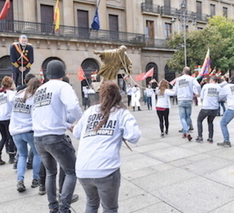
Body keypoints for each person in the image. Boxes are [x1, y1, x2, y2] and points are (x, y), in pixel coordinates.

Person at [73, 81, 141, 213]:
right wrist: (121, 134)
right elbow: (134, 136)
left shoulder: (90, 111)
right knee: (110, 208)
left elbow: (76, 133)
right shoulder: (121, 113)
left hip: (83, 169)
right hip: (106, 170)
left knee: (91, 204)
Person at [32, 60, 82, 213]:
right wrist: (75, 122)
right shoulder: (63, 86)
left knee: (51, 173)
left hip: (38, 137)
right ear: (63, 73)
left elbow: (40, 114)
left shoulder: (40, 89)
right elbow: (73, 107)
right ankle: (64, 208)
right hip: (54, 137)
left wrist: (65, 124)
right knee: (71, 171)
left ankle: (52, 207)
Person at [9, 77, 41, 192]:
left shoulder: (17, 95)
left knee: (22, 155)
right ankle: (36, 179)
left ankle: (20, 180)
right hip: (29, 130)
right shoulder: (35, 98)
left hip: (16, 130)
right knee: (37, 154)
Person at [173, 67, 201, 140]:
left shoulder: (178, 79)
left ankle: (186, 132)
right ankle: (185, 132)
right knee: (188, 116)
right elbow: (198, 85)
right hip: (189, 99)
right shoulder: (191, 79)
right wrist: (198, 93)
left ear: (183, 71)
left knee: (182, 117)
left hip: (181, 99)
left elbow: (175, 90)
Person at [0, 76, 16, 165]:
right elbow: (13, 102)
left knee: (4, 137)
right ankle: (11, 156)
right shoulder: (10, 93)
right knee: (11, 137)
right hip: (8, 116)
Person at [196, 76, 220, 143]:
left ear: (212, 80)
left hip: (206, 107)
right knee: (210, 122)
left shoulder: (206, 86)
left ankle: (200, 136)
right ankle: (210, 138)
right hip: (215, 108)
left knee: (199, 120)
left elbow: (202, 96)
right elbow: (220, 97)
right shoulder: (219, 87)